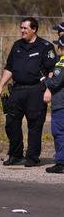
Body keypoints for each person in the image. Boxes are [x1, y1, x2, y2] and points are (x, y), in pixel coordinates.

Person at [0, 17, 57, 167]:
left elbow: (51, 70)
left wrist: (49, 90)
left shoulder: (45, 46)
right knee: (11, 123)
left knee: (34, 125)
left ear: (33, 29)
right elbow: (9, 68)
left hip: (36, 90)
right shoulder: (17, 46)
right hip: (17, 90)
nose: (22, 30)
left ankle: (32, 157)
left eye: (25, 28)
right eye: (21, 28)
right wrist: (1, 85)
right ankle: (15, 154)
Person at [43, 36, 64, 173]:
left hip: (61, 104)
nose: (58, 48)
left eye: (60, 46)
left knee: (59, 132)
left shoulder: (62, 63)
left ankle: (61, 163)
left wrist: (44, 80)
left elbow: (56, 82)